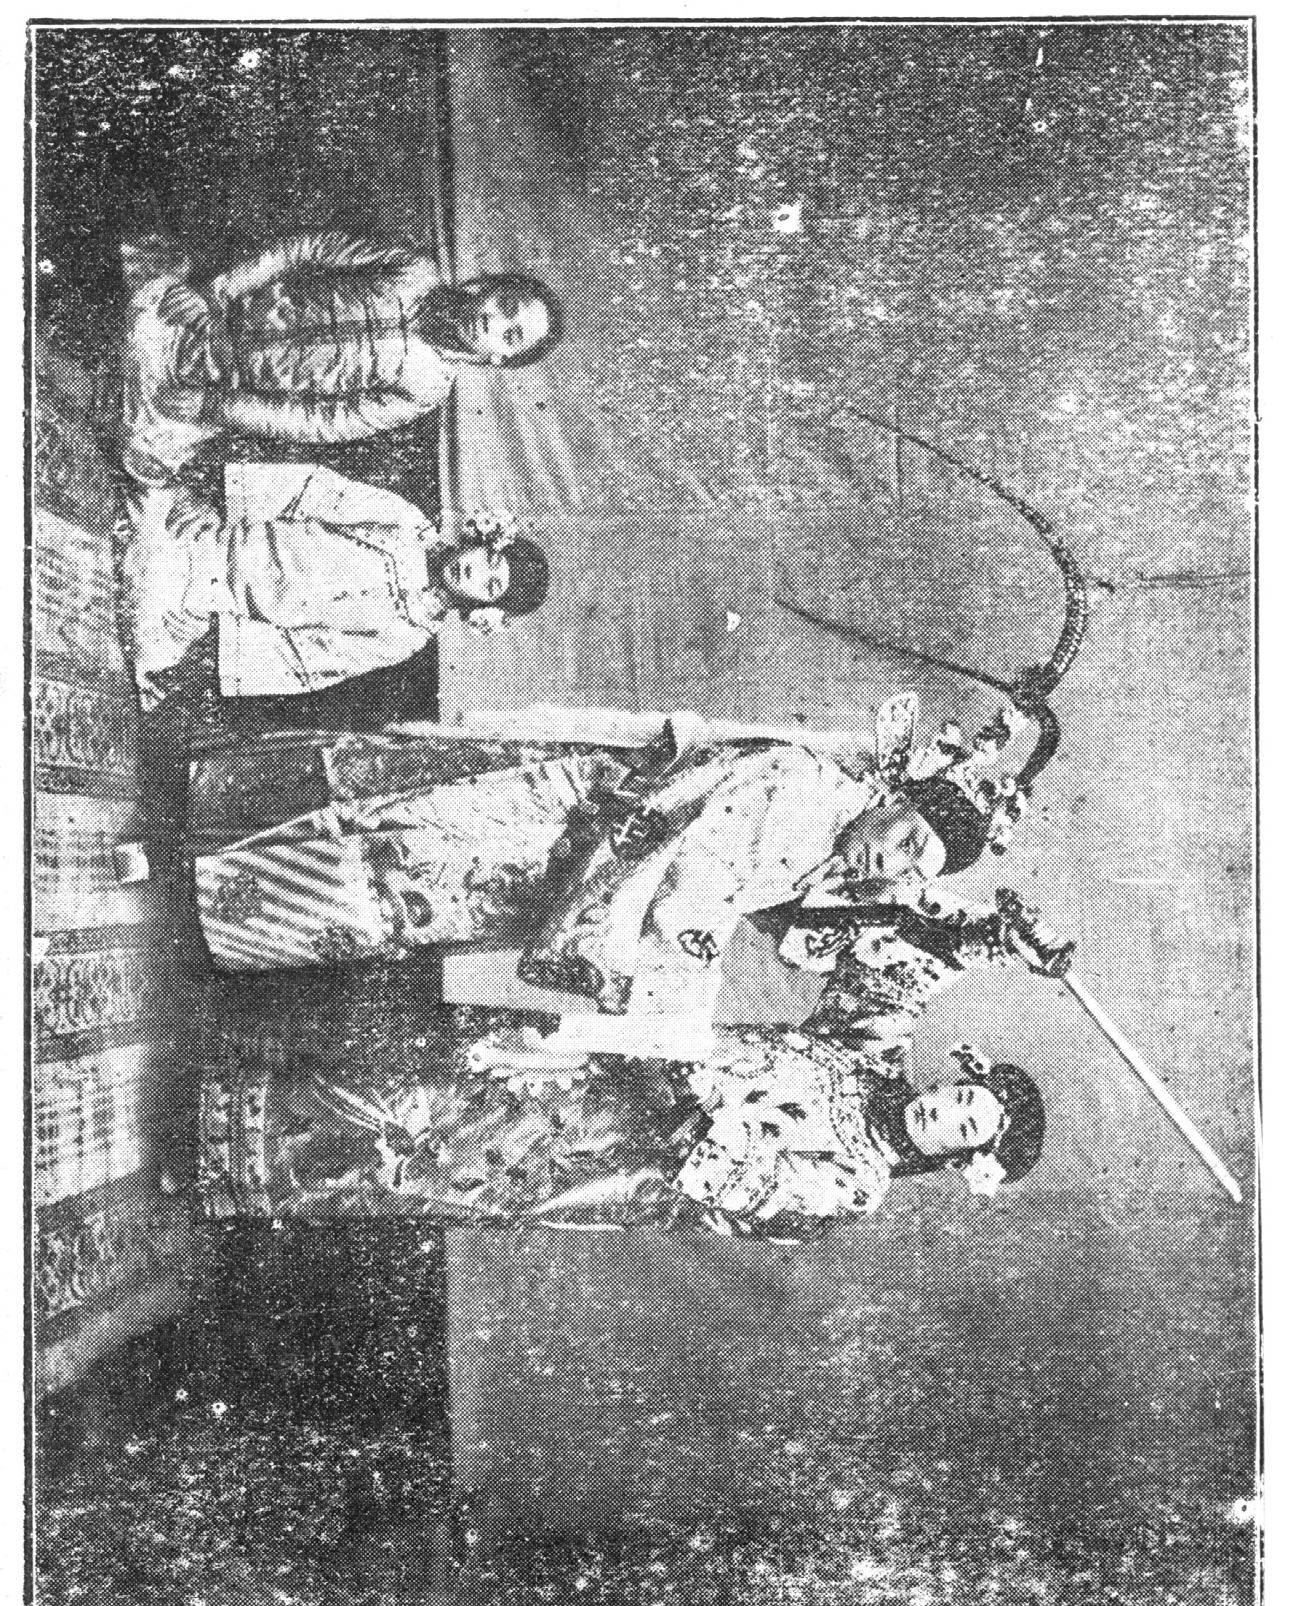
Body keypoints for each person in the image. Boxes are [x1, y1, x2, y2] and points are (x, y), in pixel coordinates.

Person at [183, 700, 989, 989]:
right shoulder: (807, 781)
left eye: (911, 868)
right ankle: (214, 859)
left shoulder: (828, 861)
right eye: (910, 839)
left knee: (416, 910)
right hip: (580, 825)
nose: (894, 863)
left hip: (590, 884)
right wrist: (685, 931)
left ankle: (227, 920)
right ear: (898, 799)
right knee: (405, 835)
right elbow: (690, 826)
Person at [198, 992, 1046, 1240]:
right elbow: (884, 953)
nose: (945, 1109)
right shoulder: (866, 1056)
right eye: (961, 1094)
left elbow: (739, 1184)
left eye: (963, 1126)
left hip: (619, 1153)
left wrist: (704, 1101)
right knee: (446, 1063)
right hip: (612, 1062)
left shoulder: (859, 1182)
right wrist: (989, 940)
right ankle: (236, 1074)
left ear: (956, 1156)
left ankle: (224, 1161)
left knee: (428, 1154)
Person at [119, 227, 564, 485]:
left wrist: (215, 405)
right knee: (138, 303)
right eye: (505, 305)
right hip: (204, 316)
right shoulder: (414, 272)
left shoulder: (425, 387)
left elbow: (319, 422)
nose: (493, 322)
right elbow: (303, 251)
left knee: (141, 450)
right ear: (486, 287)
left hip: (213, 388)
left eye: (511, 336)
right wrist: (216, 293)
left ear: (497, 359)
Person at [117, 462, 549, 711]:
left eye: (491, 585)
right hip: (209, 534)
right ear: (482, 542)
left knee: (141, 633)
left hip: (204, 604)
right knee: (145, 510)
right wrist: (218, 508)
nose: (475, 573)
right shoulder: (404, 523)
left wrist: (209, 633)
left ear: (485, 607)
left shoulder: (406, 636)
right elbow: (312, 491)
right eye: (489, 560)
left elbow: (305, 656)